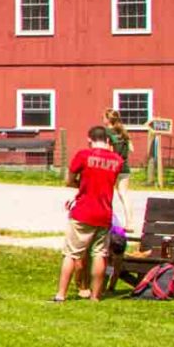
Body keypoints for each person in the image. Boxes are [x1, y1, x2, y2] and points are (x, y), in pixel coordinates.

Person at [53, 124, 127, 302]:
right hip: (104, 213)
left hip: (83, 212)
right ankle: (95, 296)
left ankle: (60, 295)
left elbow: (69, 180)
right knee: (100, 254)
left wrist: (81, 184)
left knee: (71, 253)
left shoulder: (83, 155)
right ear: (107, 140)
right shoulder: (117, 160)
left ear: (89, 140)